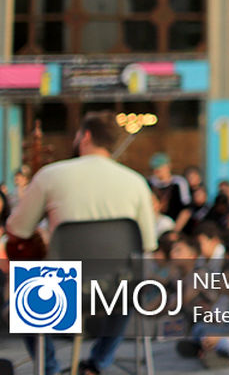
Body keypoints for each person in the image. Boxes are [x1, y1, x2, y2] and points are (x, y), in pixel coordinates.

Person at [5, 111, 158, 375]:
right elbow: (147, 245)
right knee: (132, 283)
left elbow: (16, 228)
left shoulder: (51, 175)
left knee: (22, 292)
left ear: (85, 136)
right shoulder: (136, 182)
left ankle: (49, 367)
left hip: (62, 290)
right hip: (115, 293)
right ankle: (98, 363)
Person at [147, 152, 191, 220]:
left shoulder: (179, 183)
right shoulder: (149, 183)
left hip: (173, 223)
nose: (156, 171)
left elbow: (186, 209)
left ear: (168, 167)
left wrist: (176, 230)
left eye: (159, 168)